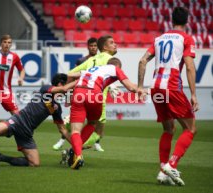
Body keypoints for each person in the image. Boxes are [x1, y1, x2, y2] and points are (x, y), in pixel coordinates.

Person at [0, 74, 77, 167]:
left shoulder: (57, 108)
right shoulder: (46, 89)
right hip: (18, 120)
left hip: (27, 132)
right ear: (59, 85)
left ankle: (0, 157)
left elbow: (63, 130)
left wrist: (77, 146)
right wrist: (78, 80)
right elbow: (64, 89)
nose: (67, 91)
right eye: (65, 86)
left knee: (34, 163)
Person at [137, 7, 199, 186]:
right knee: (191, 128)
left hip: (156, 87)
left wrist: (141, 87)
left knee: (168, 129)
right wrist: (193, 94)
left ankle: (163, 172)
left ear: (171, 20)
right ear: (187, 21)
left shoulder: (158, 39)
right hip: (172, 87)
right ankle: (171, 165)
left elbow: (142, 61)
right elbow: (189, 67)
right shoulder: (186, 38)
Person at [68, 57, 138, 169]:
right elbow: (130, 87)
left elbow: (70, 75)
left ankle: (78, 155)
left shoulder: (93, 69)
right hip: (94, 94)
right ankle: (77, 151)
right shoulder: (115, 69)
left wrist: (68, 98)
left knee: (75, 131)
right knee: (92, 123)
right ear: (118, 66)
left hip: (78, 93)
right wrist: (141, 89)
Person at [68, 35, 120, 152]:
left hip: (81, 96)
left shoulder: (91, 59)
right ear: (105, 47)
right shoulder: (110, 60)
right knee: (98, 132)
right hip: (98, 99)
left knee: (82, 128)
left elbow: (71, 73)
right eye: (112, 43)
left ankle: (74, 150)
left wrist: (69, 96)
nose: (115, 44)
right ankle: (73, 151)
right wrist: (111, 84)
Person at [52, 37, 100, 151]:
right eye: (91, 46)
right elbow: (72, 77)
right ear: (88, 47)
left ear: (98, 47)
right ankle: (63, 140)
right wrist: (69, 97)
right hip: (81, 95)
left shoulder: (102, 60)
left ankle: (96, 143)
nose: (93, 48)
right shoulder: (82, 61)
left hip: (96, 95)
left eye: (95, 46)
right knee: (74, 123)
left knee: (95, 122)